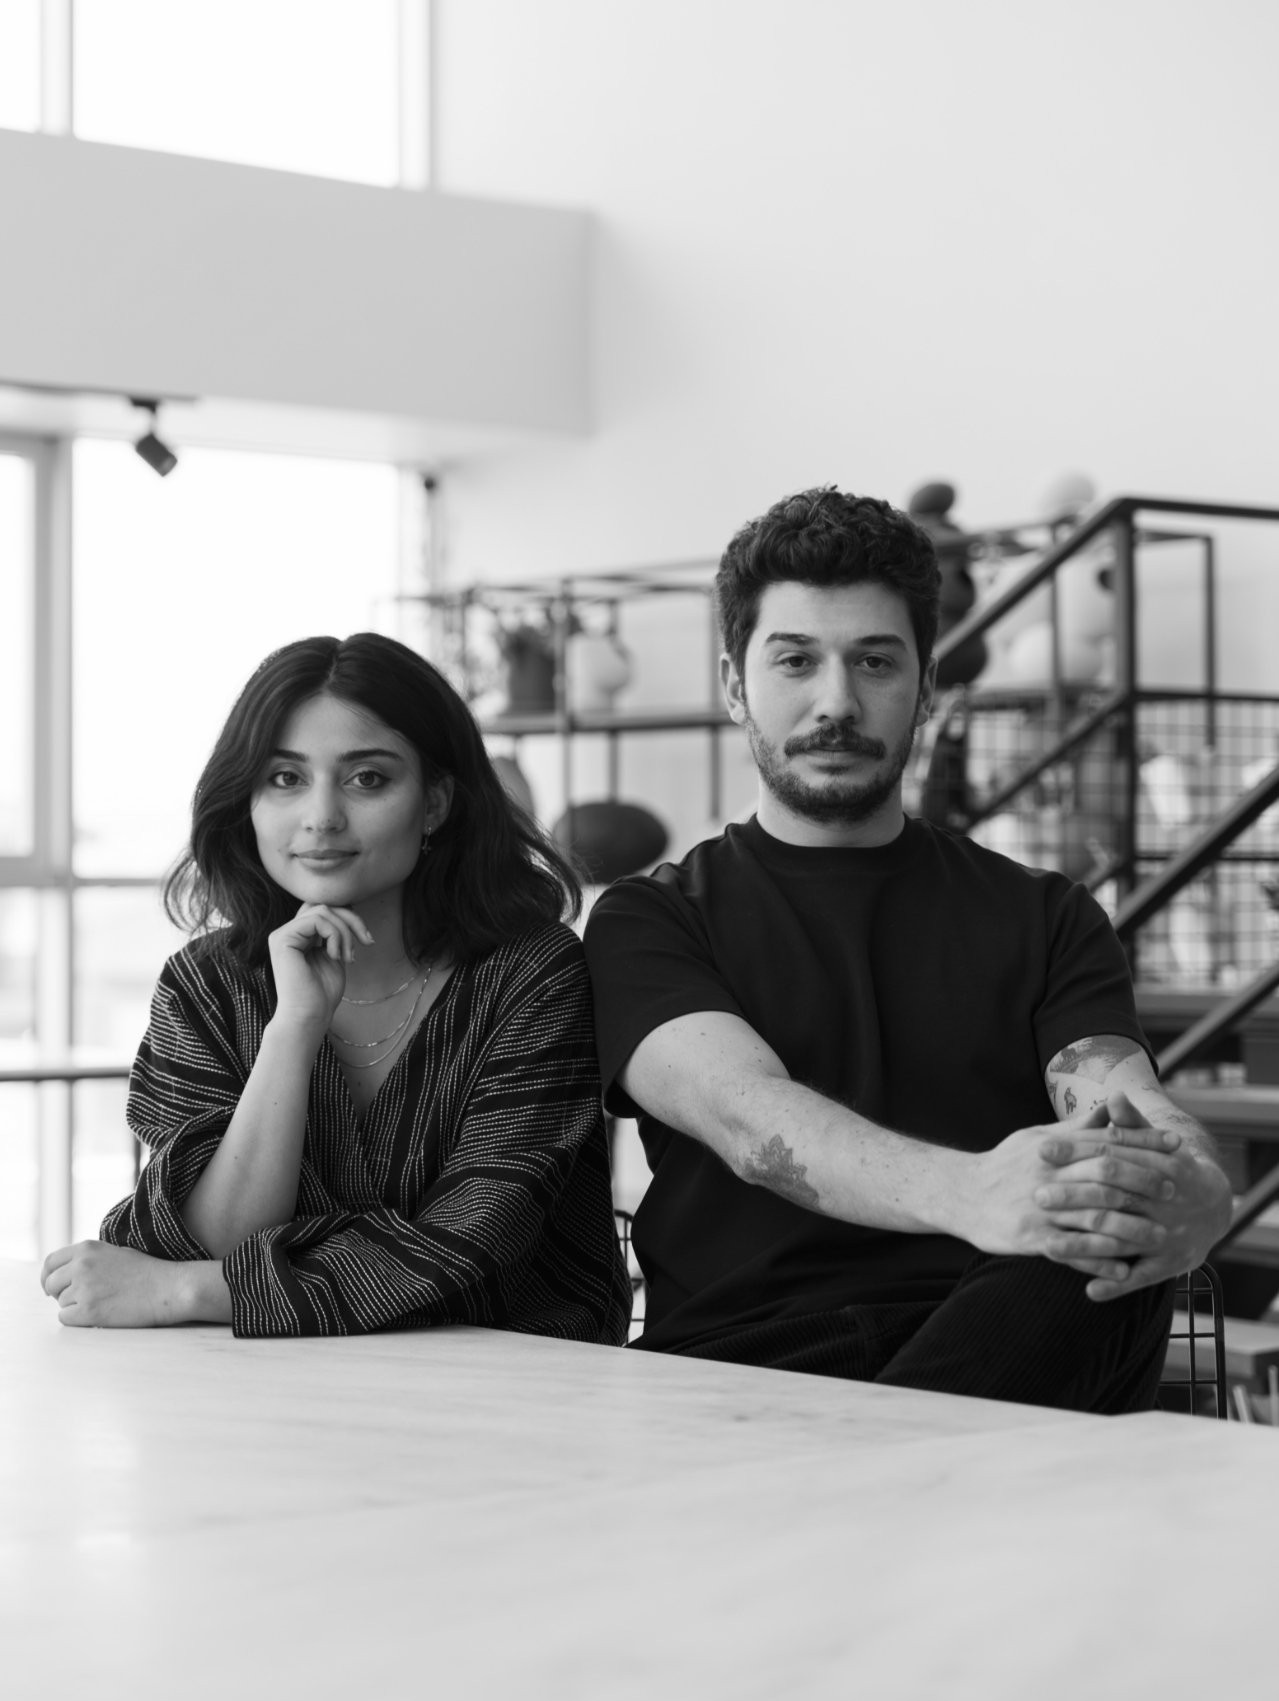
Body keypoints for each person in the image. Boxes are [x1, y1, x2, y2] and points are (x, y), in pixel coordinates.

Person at [582, 488, 1232, 1411]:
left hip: (1011, 1341)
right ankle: (907, 1473)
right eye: (795, 661)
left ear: (925, 687)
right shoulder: (650, 919)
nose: (836, 702)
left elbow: (1125, 1107)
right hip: (754, 1367)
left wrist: (1196, 1182)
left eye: (875, 662)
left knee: (1102, 1216)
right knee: (1071, 1218)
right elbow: (749, 1121)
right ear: (734, 684)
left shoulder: (1045, 914)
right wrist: (973, 1191)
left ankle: (887, 1477)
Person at [41, 633, 631, 1343]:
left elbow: (469, 1248)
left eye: (367, 779)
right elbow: (208, 1238)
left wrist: (183, 1291)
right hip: (260, 1393)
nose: (321, 816)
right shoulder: (206, 985)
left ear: (436, 802)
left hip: (513, 1387)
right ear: (247, 800)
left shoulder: (532, 974)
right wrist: (294, 1027)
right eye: (285, 778)